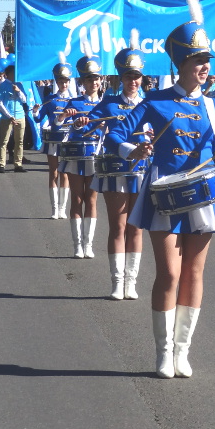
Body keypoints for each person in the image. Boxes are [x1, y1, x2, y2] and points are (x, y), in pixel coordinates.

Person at [104, 0, 215, 379]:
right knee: (169, 274)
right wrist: (136, 148)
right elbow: (115, 136)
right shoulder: (155, 101)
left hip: (205, 195)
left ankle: (182, 351)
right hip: (165, 193)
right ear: (181, 64)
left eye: (207, 62)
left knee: (194, 273)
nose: (205, 69)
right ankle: (162, 353)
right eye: (198, 62)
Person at [73, 30, 149, 300]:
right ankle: (117, 281)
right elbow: (85, 127)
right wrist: (81, 122)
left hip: (141, 171)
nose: (133, 81)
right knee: (118, 225)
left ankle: (132, 282)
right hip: (116, 170)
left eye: (137, 76)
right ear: (120, 77)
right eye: (129, 76)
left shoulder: (149, 104)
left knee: (136, 227)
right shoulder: (109, 103)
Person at [56, 49, 103, 259]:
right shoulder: (74, 103)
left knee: (91, 200)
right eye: (89, 79)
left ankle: (89, 243)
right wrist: (69, 118)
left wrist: (105, 126)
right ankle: (77, 244)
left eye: (97, 78)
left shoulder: (106, 105)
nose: (94, 82)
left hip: (95, 155)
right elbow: (58, 124)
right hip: (76, 155)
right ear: (82, 82)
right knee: (77, 198)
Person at [32, 54, 73, 220]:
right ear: (56, 82)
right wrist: (35, 110)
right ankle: (54, 208)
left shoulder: (73, 100)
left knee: (66, 174)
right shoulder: (49, 100)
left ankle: (63, 208)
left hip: (68, 139)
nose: (63, 84)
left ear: (69, 82)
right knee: (54, 172)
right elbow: (38, 119)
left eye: (66, 81)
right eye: (61, 82)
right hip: (53, 140)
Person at [0, 66, 27, 173]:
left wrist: (18, 91)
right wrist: (9, 116)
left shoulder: (19, 85)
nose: (15, 74)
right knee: (4, 141)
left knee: (19, 141)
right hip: (7, 117)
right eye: (14, 72)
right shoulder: (2, 86)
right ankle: (1, 164)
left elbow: (24, 100)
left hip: (20, 116)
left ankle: (18, 164)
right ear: (8, 74)